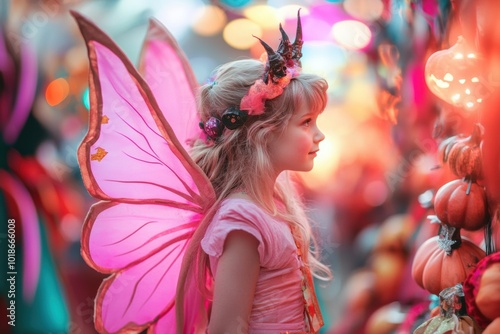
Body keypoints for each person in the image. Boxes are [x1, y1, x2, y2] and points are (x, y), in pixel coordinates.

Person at [175, 14, 332, 333]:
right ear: (264, 134)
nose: (320, 135)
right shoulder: (243, 221)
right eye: (306, 123)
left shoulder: (269, 205)